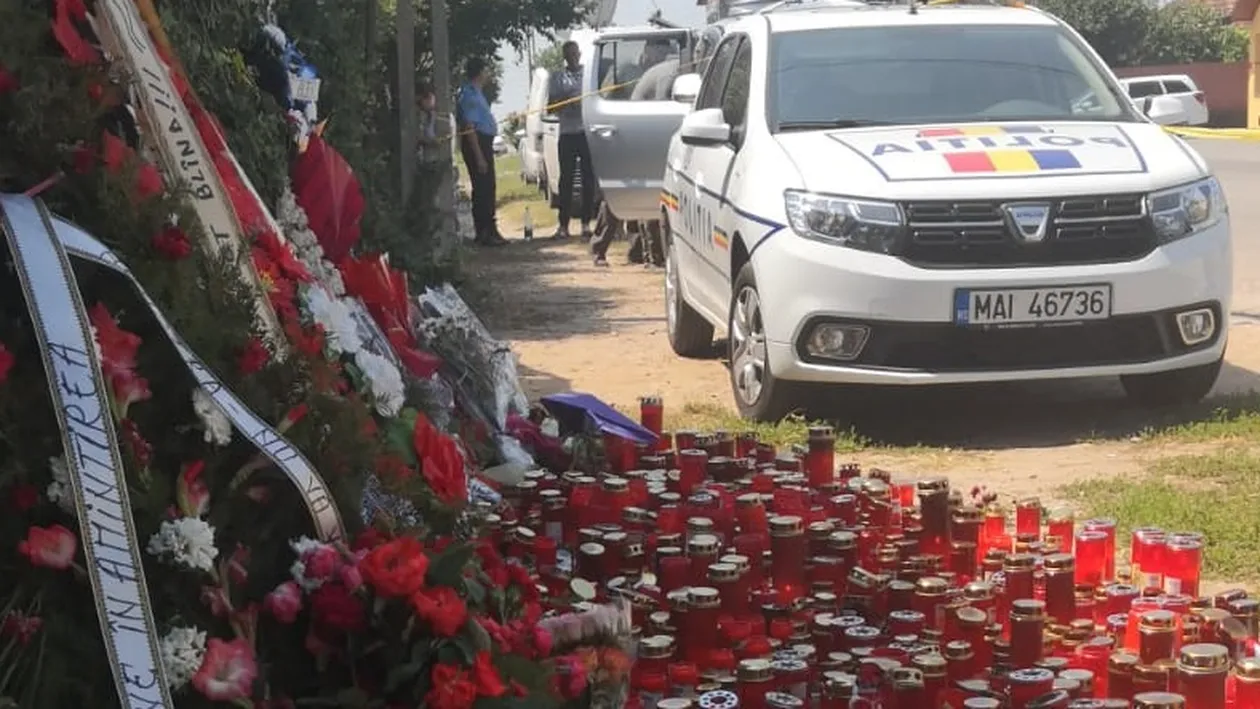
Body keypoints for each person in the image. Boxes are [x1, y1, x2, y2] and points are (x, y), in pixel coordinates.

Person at [547, 41, 596, 244]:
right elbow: (550, 107)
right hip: (567, 133)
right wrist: (566, 99)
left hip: (585, 132)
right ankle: (563, 225)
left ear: (580, 54)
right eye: (568, 55)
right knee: (566, 180)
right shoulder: (557, 77)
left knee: (588, 179)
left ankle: (586, 224)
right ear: (564, 57)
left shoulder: (589, 75)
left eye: (575, 54)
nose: (572, 58)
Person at [457, 58, 507, 246]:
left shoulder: (478, 93)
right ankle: (483, 231)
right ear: (479, 72)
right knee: (482, 186)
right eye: (486, 70)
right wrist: (479, 157)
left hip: (485, 141)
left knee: (489, 186)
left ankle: (491, 229)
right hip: (476, 143)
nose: (488, 74)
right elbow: (469, 126)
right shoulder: (468, 95)